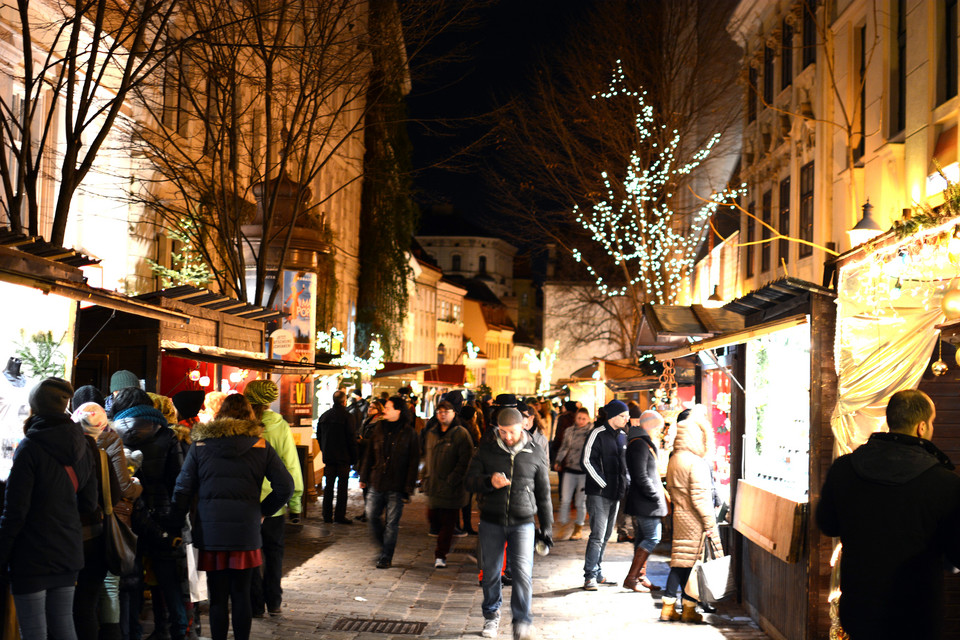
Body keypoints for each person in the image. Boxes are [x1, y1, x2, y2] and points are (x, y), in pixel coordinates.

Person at [817, 389, 960, 639]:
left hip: (860, 608)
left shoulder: (844, 469)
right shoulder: (945, 482)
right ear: (922, 427)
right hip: (918, 614)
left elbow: (828, 525)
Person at [171, 393, 294, 640]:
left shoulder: (201, 446)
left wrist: (175, 524)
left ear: (220, 416)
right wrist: (263, 511)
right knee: (241, 594)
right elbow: (285, 487)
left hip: (210, 532)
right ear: (249, 415)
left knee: (217, 597)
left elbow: (182, 489)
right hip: (245, 532)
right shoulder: (260, 446)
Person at [0, 378, 98, 640]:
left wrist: (2, 553)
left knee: (33, 632)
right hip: (67, 550)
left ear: (36, 407)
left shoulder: (29, 448)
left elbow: (15, 512)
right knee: (65, 627)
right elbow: (89, 504)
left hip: (30, 556)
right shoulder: (84, 445)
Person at [466, 408, 552, 640]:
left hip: (523, 522)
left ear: (523, 426)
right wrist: (488, 481)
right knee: (491, 573)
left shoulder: (535, 452)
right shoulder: (487, 449)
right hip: (491, 520)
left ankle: (522, 621)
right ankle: (491, 615)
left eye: (511, 432)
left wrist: (547, 528)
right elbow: (469, 481)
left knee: (523, 574)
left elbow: (544, 494)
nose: (507, 437)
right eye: (502, 432)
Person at [112, 387, 188, 640]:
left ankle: (131, 632)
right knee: (168, 580)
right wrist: (175, 518)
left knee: (131, 580)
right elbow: (178, 481)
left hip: (128, 517)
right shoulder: (166, 435)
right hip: (164, 515)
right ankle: (176, 631)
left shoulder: (114, 436)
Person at [242, 380, 302, 618]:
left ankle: (255, 604)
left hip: (247, 504)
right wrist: (295, 504)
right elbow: (291, 468)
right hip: (274, 504)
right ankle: (274, 601)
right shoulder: (280, 426)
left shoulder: (242, 427)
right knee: (274, 553)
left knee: (251, 554)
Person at [662, 411, 720, 623]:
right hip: (694, 518)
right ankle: (685, 608)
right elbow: (701, 498)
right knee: (688, 564)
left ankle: (673, 607)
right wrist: (709, 523)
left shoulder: (675, 458)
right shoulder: (695, 462)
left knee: (681, 563)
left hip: (680, 514)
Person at [358, 396, 420, 569]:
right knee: (371, 515)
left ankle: (386, 555)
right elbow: (369, 454)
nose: (384, 410)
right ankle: (383, 545)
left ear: (398, 410)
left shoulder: (409, 433)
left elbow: (413, 462)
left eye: (388, 407)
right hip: (377, 481)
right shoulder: (379, 428)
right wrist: (363, 477)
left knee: (392, 523)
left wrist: (408, 487)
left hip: (396, 484)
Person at [581, 399, 629, 591]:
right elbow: (586, 460)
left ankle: (598, 572)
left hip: (616, 493)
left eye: (627, 416)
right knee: (597, 535)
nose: (626, 419)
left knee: (607, 534)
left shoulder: (623, 436)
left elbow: (625, 464)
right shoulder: (597, 434)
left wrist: (625, 483)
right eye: (623, 416)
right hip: (599, 493)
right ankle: (589, 575)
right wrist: (602, 482)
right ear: (612, 416)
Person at [422, 400, 473, 567]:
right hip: (434, 485)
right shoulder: (432, 433)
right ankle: (441, 550)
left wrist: (453, 479)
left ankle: (440, 555)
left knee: (448, 523)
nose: (442, 414)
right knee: (433, 518)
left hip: (452, 487)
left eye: (446, 411)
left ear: (453, 414)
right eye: (439, 411)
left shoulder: (460, 434)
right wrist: (425, 476)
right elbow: (427, 458)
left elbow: (465, 460)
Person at [623, 410, 668, 593]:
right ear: (650, 426)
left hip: (645, 500)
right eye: (658, 428)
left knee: (643, 537)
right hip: (646, 502)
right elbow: (640, 475)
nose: (659, 432)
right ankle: (632, 578)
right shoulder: (639, 444)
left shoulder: (640, 442)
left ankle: (640, 576)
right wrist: (654, 495)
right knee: (653, 537)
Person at [316, 389, 358, 524]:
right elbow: (351, 438)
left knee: (328, 487)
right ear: (344, 401)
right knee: (342, 488)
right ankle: (340, 515)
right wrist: (354, 457)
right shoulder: (348, 417)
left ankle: (326, 515)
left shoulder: (324, 416)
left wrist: (324, 450)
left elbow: (319, 436)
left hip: (329, 457)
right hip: (343, 457)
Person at [553, 407, 592, 541]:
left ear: (588, 419)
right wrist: (558, 461)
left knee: (581, 502)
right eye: (579, 418)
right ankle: (562, 525)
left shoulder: (591, 433)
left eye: (583, 419)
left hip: (584, 472)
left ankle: (578, 528)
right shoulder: (569, 431)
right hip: (569, 469)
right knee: (565, 499)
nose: (581, 421)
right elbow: (564, 447)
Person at [355, 399, 384, 522]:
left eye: (373, 408)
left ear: (379, 410)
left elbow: (376, 442)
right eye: (370, 407)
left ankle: (371, 513)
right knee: (365, 486)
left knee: (371, 487)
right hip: (364, 457)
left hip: (372, 459)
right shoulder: (366, 421)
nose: (370, 409)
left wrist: (362, 441)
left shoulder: (379, 422)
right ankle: (367, 512)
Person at [458, 405, 482, 535]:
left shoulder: (464, 427)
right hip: (467, 467)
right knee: (465, 499)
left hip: (468, 467)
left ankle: (463, 525)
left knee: (465, 499)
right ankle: (464, 525)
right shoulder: (467, 429)